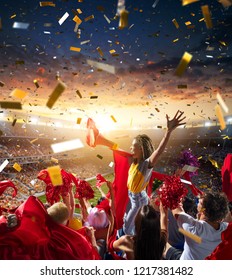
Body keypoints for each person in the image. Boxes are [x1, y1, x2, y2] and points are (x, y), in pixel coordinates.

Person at [86, 110, 186, 235]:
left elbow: (159, 151)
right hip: (132, 195)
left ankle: (131, 242)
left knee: (127, 225)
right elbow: (119, 149)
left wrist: (168, 132)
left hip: (138, 199)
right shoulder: (132, 161)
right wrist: (99, 138)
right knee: (125, 219)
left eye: (133, 146)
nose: (131, 148)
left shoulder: (146, 165)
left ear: (141, 149)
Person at [164, 190, 229, 260]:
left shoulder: (194, 229)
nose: (198, 202)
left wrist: (171, 189)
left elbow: (176, 209)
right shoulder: (227, 228)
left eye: (200, 202)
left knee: (163, 246)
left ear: (203, 210)